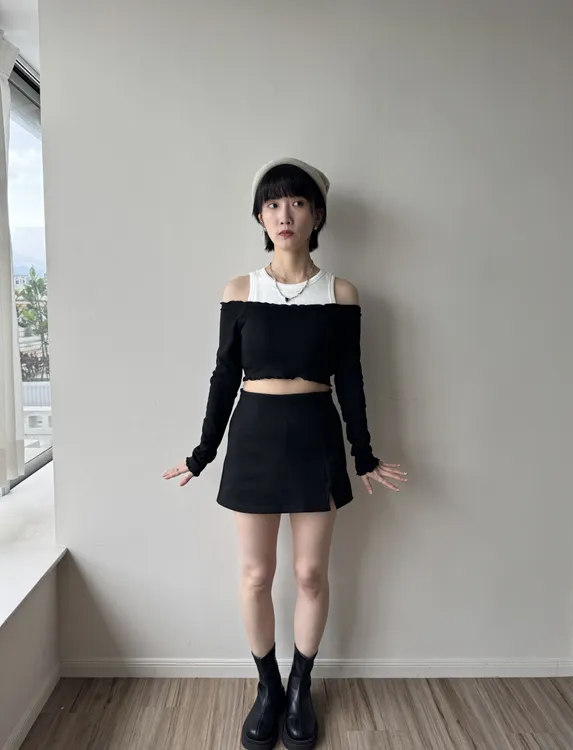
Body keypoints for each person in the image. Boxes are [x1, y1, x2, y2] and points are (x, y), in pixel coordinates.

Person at [163, 157, 407, 750]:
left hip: (315, 437)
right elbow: (224, 377)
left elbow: (351, 380)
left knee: (310, 575)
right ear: (260, 217)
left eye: (296, 202)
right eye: (272, 204)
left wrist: (364, 454)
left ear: (316, 214)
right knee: (255, 576)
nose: (284, 214)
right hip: (254, 438)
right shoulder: (240, 290)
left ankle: (301, 689)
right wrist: (202, 453)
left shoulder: (340, 292)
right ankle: (268, 689)